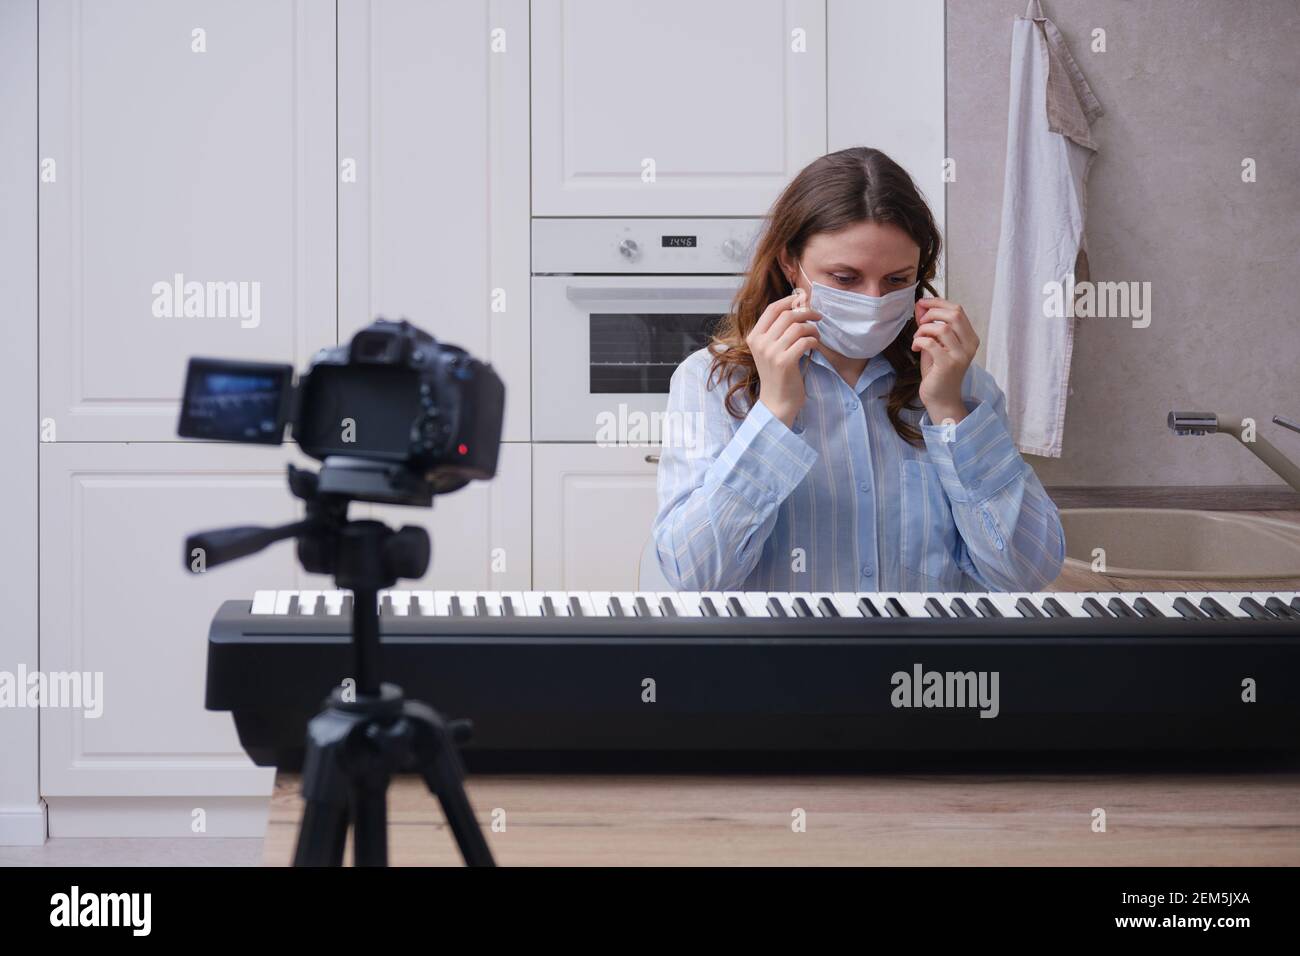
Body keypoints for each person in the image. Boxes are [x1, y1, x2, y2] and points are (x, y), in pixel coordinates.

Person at [652, 147, 1065, 594]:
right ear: (792, 264)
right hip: (778, 662)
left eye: (896, 280)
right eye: (845, 279)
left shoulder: (962, 385)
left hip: (925, 665)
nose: (872, 300)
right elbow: (693, 576)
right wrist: (772, 415)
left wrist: (949, 411)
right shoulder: (713, 383)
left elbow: (1027, 573)